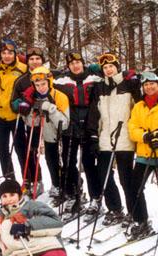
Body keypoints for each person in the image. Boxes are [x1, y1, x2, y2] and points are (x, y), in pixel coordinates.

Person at [86, 53, 141, 226]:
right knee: (104, 176)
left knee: (126, 179)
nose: (109, 70)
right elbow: (94, 114)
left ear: (117, 66)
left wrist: (137, 86)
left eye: (111, 66)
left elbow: (139, 108)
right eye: (105, 68)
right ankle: (115, 208)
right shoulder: (100, 87)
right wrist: (93, 135)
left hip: (124, 137)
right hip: (105, 138)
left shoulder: (129, 83)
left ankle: (134, 212)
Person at [53, 52, 104, 220]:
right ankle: (74, 194)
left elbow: (114, 76)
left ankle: (95, 198)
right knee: (68, 163)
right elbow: (43, 84)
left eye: (78, 62)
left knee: (89, 164)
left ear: (83, 63)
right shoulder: (61, 81)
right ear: (68, 66)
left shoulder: (94, 78)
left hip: (89, 127)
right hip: (71, 127)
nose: (76, 66)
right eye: (72, 63)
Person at [127, 71, 158, 239]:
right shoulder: (139, 106)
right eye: (146, 84)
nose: (149, 87)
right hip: (143, 154)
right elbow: (132, 127)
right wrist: (145, 136)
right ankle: (142, 221)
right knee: (135, 189)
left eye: (152, 83)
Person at [20, 66, 69, 200]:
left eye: (43, 84)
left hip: (60, 135)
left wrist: (51, 109)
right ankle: (56, 184)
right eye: (37, 85)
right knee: (50, 160)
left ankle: (70, 187)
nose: (41, 87)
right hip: (47, 135)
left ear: (49, 82)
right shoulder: (33, 98)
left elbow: (64, 123)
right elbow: (32, 123)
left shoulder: (60, 96)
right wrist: (28, 113)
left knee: (63, 162)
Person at [11, 47, 47, 195]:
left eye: (37, 59)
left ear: (42, 60)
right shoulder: (22, 80)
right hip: (31, 120)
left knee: (53, 154)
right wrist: (22, 104)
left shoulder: (51, 76)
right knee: (29, 150)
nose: (34, 61)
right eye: (31, 59)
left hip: (50, 121)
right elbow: (13, 102)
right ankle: (31, 179)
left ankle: (61, 186)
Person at [0, 38, 28, 182]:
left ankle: (28, 179)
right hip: (1, 116)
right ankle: (10, 179)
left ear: (15, 54)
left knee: (21, 149)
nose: (7, 56)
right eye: (4, 53)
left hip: (16, 115)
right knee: (2, 150)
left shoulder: (23, 69)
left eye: (10, 53)